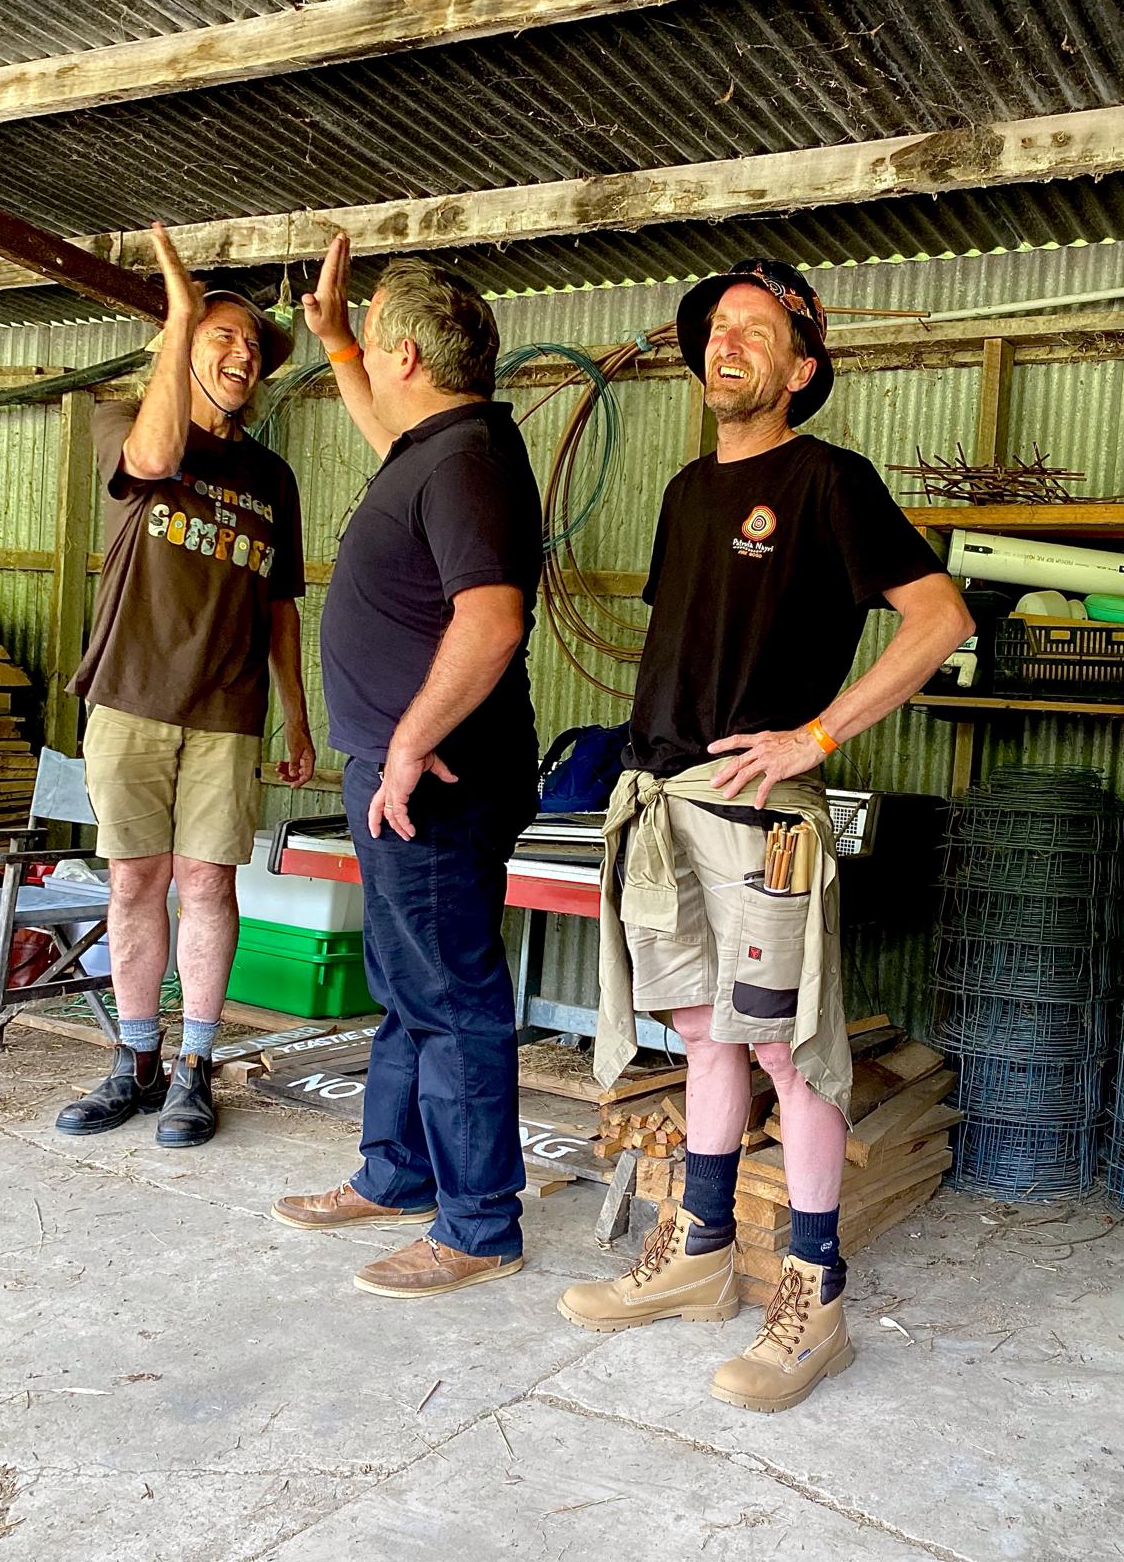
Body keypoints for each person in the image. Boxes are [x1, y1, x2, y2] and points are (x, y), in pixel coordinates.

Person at [558, 260, 972, 1411]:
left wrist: (817, 736)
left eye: (756, 327)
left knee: (793, 1049)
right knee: (700, 1033)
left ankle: (816, 1294)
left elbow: (940, 618)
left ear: (803, 365)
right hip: (664, 802)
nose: (725, 342)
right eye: (715, 328)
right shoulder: (688, 491)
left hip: (760, 813)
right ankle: (697, 1255)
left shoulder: (832, 481)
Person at [272, 237, 542, 1299]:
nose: (367, 362)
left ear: (412, 357)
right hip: (403, 770)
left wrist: (411, 741)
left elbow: (492, 617)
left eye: (375, 339)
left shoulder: (466, 461)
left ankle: (478, 1225)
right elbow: (382, 418)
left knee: (451, 995)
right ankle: (396, 1174)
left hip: (434, 778)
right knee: (406, 986)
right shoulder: (437, 443)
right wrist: (339, 338)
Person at [55, 225, 315, 1149]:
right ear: (184, 350)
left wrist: (298, 714)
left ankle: (196, 1066)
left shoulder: (271, 476)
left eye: (252, 347)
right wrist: (177, 316)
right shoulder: (120, 423)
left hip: (228, 709)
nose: (243, 355)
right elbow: (159, 459)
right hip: (127, 695)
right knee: (134, 882)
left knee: (207, 882)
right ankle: (134, 1059)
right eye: (223, 339)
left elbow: (280, 600)